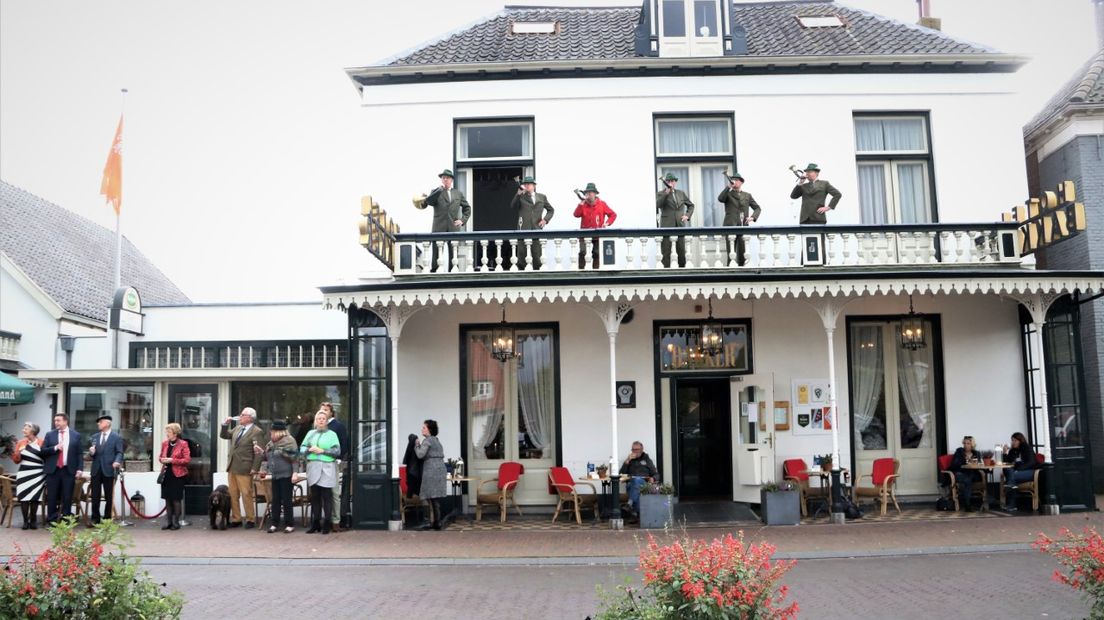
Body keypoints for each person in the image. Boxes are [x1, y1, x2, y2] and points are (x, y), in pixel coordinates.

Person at [220, 407, 265, 528]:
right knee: (233, 494)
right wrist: (225, 424)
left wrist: (255, 468)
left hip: (245, 467)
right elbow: (225, 436)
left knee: (246, 493)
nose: (240, 416)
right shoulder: (238, 428)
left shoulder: (257, 431)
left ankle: (250, 519)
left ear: (250, 417)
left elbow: (259, 452)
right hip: (232, 465)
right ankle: (236, 519)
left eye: (242, 415)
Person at [300, 410, 340, 534]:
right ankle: (316, 523)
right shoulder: (310, 433)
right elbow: (302, 448)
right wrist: (309, 450)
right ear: (315, 421)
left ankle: (327, 523)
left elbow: (337, 451)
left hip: (327, 467)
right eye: (319, 419)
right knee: (315, 496)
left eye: (323, 418)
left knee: (327, 496)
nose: (321, 420)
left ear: (327, 421)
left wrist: (322, 450)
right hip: (313, 467)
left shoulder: (332, 434)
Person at [423, 168, 471, 272]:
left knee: (453, 253)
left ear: (451, 180)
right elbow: (429, 202)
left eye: (447, 178)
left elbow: (467, 208)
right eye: (443, 178)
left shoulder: (457, 193)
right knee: (436, 252)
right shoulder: (435, 191)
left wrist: (462, 220)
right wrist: (439, 190)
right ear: (441, 180)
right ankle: (435, 271)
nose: (445, 180)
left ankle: (453, 270)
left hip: (453, 227)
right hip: (438, 227)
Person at [255, 419, 299, 533]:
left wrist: (295, 473)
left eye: (273, 431)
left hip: (286, 475)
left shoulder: (289, 441)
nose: (271, 433)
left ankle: (289, 524)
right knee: (275, 500)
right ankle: (275, 523)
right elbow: (268, 457)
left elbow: (294, 459)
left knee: (286, 500)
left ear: (279, 432)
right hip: (275, 475)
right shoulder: (270, 443)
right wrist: (262, 452)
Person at [39, 412, 82, 525]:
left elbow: (79, 454)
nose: (56, 422)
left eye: (58, 420)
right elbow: (42, 451)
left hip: (69, 470)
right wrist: (55, 448)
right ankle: (52, 520)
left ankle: (66, 520)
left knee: (67, 496)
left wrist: (80, 469)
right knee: (52, 496)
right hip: (53, 470)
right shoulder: (50, 434)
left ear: (65, 421)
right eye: (55, 420)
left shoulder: (76, 435)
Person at [86, 414, 124, 526]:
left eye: (100, 422)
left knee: (109, 496)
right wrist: (91, 452)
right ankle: (95, 519)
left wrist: (117, 461)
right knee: (95, 496)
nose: (98, 424)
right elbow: (92, 454)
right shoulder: (95, 437)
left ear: (107, 423)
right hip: (96, 469)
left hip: (109, 469)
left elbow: (119, 452)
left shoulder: (116, 437)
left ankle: (107, 519)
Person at [510, 176, 554, 270]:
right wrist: (518, 194)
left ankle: (538, 274)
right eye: (525, 184)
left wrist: (545, 220)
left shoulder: (542, 197)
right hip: (523, 228)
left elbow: (551, 210)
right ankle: (521, 275)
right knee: (522, 254)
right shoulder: (521, 196)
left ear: (534, 186)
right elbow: (513, 206)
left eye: (528, 184)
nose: (526, 186)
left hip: (536, 228)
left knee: (537, 254)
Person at [717, 172, 760, 266]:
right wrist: (728, 187)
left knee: (743, 251)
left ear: (741, 182)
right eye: (733, 180)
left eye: (736, 180)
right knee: (731, 251)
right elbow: (720, 199)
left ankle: (742, 270)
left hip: (743, 226)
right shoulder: (728, 194)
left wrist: (752, 217)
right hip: (730, 225)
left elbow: (757, 208)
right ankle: (730, 270)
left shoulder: (747, 195)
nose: (734, 182)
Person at [572, 182, 617, 269]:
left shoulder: (602, 204)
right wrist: (581, 203)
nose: (588, 194)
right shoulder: (583, 204)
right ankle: (581, 271)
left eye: (590, 192)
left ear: (595, 193)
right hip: (584, 234)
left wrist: (607, 223)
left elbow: (613, 215)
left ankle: (596, 272)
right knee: (582, 252)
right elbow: (576, 215)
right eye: (587, 192)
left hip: (597, 234)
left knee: (597, 253)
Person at [413, 419, 447, 531]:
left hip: (431, 469)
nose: (422, 429)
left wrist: (417, 445)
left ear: (429, 430)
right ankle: (437, 522)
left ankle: (428, 521)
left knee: (426, 495)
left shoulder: (427, 441)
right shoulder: (437, 440)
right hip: (440, 468)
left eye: (424, 427)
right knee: (434, 497)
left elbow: (420, 455)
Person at [656, 173, 694, 268]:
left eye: (672, 181)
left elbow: (691, 205)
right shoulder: (661, 193)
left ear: (675, 182)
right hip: (667, 225)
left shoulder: (681, 193)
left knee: (681, 250)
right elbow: (658, 205)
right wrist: (666, 193)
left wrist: (687, 215)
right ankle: (666, 273)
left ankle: (683, 271)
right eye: (668, 181)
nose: (670, 183)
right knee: (666, 251)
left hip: (679, 225)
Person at [12, 422, 45, 530]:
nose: (23, 430)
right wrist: (18, 453)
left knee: (35, 497)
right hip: (24, 472)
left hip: (38, 473)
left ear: (33, 430)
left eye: (25, 428)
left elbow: (46, 457)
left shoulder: (42, 442)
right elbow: (16, 460)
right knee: (24, 498)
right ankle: (25, 522)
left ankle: (34, 521)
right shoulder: (21, 442)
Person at [158, 423, 191, 530]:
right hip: (166, 474)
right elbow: (160, 457)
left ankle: (176, 522)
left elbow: (187, 460)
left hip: (178, 475)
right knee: (167, 499)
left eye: (169, 432)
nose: (167, 434)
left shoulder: (183, 444)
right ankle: (169, 522)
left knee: (176, 499)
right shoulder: (164, 443)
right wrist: (162, 459)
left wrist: (172, 460)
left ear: (175, 433)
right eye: (167, 432)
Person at [322, 402, 349, 531]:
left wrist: (338, 459)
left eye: (326, 410)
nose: (323, 412)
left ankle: (336, 520)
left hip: (333, 463)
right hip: (320, 464)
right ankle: (324, 519)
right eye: (321, 410)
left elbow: (344, 444)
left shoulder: (338, 426)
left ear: (331, 412)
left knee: (334, 493)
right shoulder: (318, 427)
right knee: (322, 493)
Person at [619, 441, 658, 521]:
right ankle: (635, 513)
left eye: (637, 449)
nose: (635, 451)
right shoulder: (629, 460)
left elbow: (656, 474)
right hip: (631, 484)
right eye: (633, 450)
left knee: (637, 481)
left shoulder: (646, 459)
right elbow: (621, 473)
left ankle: (630, 506)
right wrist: (627, 461)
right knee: (634, 486)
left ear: (642, 449)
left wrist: (653, 478)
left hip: (644, 483)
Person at [1001, 432, 1039, 512]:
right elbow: (1007, 464)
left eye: (1015, 440)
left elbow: (1031, 462)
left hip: (1030, 472)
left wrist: (1018, 470)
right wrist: (1004, 453)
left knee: (1011, 477)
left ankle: (1011, 503)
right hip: (1016, 474)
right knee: (1011, 477)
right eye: (1012, 440)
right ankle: (1012, 504)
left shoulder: (1027, 448)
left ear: (1020, 440)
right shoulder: (1012, 451)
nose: (1013, 442)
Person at [949, 435, 984, 511]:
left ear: (972, 444)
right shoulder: (959, 452)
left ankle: (977, 503)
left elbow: (981, 464)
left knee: (970, 478)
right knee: (967, 480)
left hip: (972, 473)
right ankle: (967, 505)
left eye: (968, 443)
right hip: (960, 473)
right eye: (964, 443)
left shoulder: (977, 453)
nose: (965, 445)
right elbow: (953, 465)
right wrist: (965, 461)